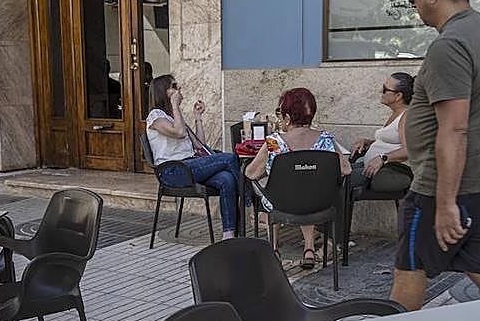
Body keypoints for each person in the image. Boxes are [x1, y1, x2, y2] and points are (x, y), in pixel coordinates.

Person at [392, 0, 480, 311]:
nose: (413, 3)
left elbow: (454, 129)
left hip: (440, 188)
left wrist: (445, 204)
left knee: (409, 270)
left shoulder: (450, 45)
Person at [245, 88, 350, 269]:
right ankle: (309, 250)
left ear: (287, 117)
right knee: (305, 188)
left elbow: (250, 174)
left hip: (282, 204)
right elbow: (346, 170)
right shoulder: (325, 139)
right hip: (319, 204)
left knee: (271, 187)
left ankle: (274, 249)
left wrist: (272, 170)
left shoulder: (273, 142)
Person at [145, 74, 244, 239]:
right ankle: (249, 198)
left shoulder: (173, 117)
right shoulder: (155, 116)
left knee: (227, 178)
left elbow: (200, 145)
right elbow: (179, 132)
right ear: (163, 92)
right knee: (229, 158)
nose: (179, 90)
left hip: (190, 167)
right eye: (174, 87)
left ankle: (229, 234)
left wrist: (198, 118)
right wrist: (175, 106)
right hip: (173, 171)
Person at [350, 72, 413, 195]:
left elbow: (409, 150)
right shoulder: (396, 113)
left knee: (336, 179)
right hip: (371, 167)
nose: (381, 92)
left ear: (398, 96)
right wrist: (368, 142)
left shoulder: (406, 116)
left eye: (385, 89)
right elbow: (393, 141)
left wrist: (383, 158)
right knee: (334, 171)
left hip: (385, 171)